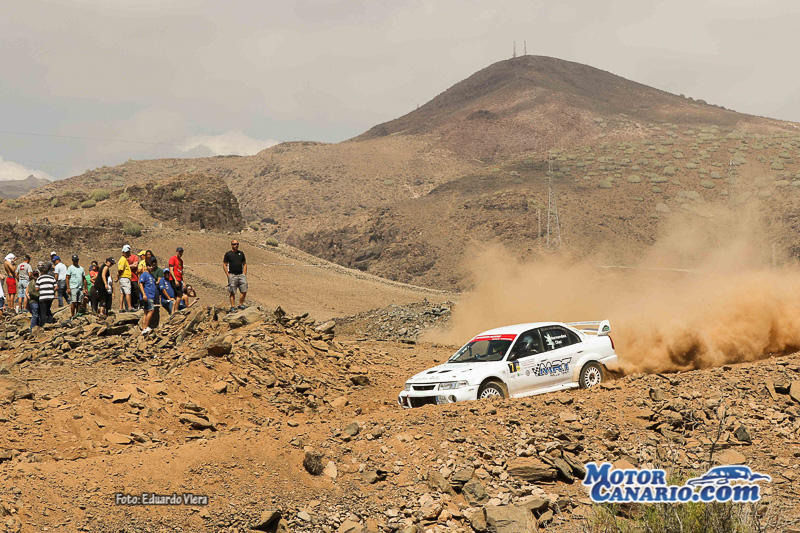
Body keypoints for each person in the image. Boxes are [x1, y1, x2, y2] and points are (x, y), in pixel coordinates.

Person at [223, 239, 247, 312]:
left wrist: (244, 273)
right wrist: (228, 274)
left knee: (244, 290)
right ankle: (233, 306)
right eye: (234, 244)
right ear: (231, 245)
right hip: (232, 275)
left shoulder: (241, 253)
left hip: (241, 275)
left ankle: (240, 304)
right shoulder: (228, 254)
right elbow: (224, 264)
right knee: (232, 291)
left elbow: (244, 263)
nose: (236, 245)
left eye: (237, 244)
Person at [138, 259, 158, 334]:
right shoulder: (144, 274)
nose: (152, 267)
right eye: (150, 266)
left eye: (153, 266)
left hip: (151, 295)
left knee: (146, 311)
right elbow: (141, 284)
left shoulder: (151, 275)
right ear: (147, 266)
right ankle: (146, 326)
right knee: (151, 310)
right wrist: (143, 294)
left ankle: (144, 328)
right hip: (147, 295)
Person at [117, 245, 133, 312]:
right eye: (126, 252)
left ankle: (121, 308)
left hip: (123, 278)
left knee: (122, 293)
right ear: (123, 252)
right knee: (127, 292)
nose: (128, 254)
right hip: (125, 278)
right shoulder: (123, 260)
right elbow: (120, 269)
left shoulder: (124, 259)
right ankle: (129, 307)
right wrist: (119, 276)